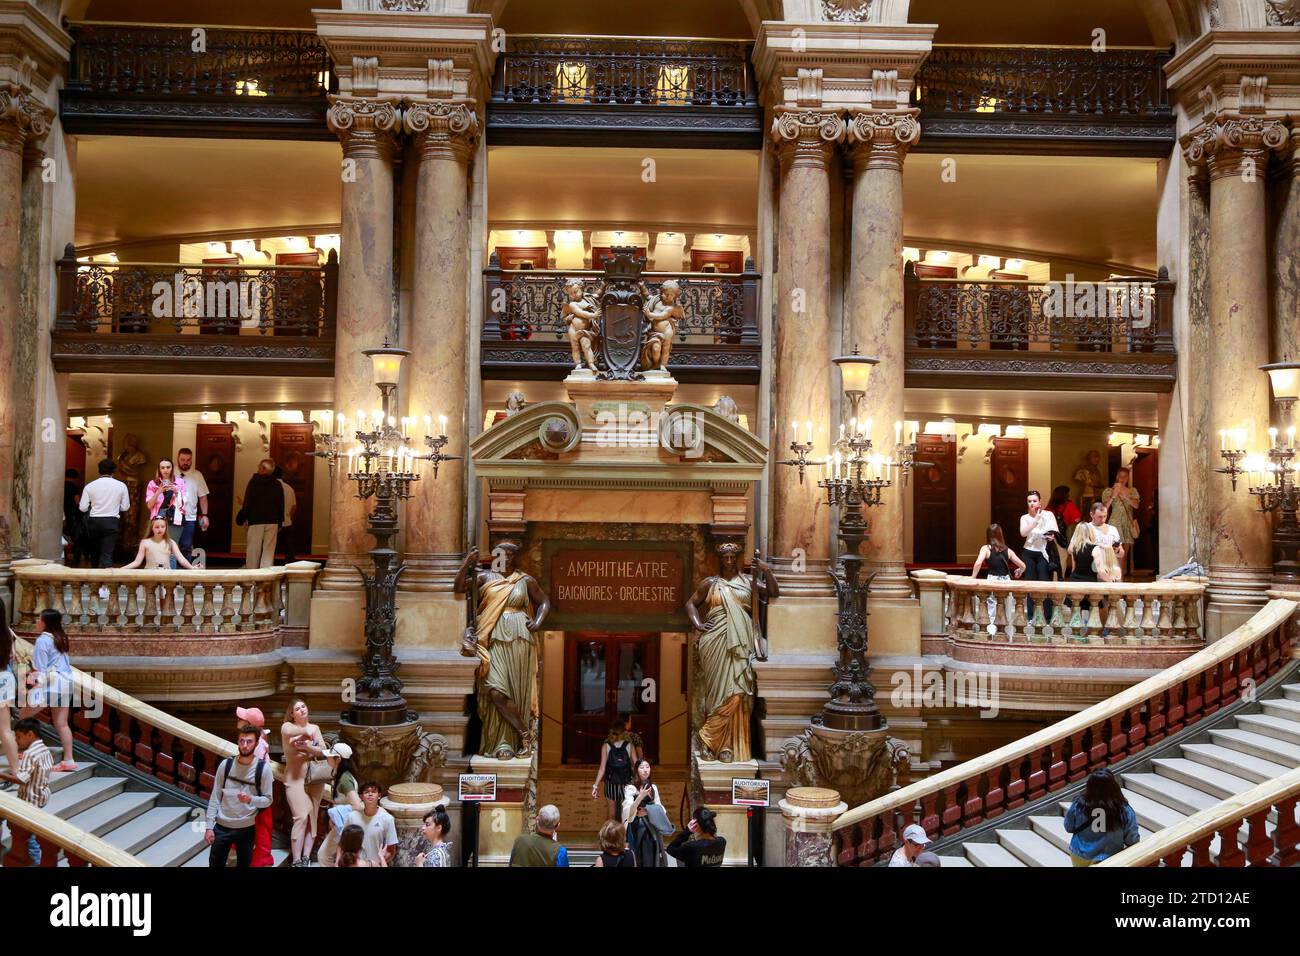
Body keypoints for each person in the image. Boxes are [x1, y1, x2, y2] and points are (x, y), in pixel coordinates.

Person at [683, 543, 779, 762]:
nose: (728, 561)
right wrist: (698, 625)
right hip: (714, 642)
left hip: (741, 642)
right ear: (720, 559)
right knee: (717, 693)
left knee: (737, 691)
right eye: (724, 557)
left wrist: (766, 570)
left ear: (736, 559)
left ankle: (716, 741)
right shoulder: (710, 583)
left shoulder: (748, 581)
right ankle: (716, 745)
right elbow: (690, 605)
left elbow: (773, 592)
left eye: (732, 557)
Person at [454, 542, 551, 759]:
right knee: (496, 690)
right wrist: (466, 564)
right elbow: (459, 587)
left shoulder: (524, 580)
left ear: (514, 557)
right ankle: (517, 736)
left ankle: (510, 745)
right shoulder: (485, 578)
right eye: (500, 554)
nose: (504, 558)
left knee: (516, 690)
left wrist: (537, 621)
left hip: (520, 639)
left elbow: (544, 601)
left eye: (508, 555)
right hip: (494, 637)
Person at [204, 725, 273, 868]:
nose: (245, 745)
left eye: (249, 742)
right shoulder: (226, 765)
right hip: (222, 826)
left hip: (246, 828)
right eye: (242, 741)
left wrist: (251, 799)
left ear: (256, 743)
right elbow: (215, 796)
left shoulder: (263, 769)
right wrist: (209, 827)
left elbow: (268, 799)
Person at [19, 609, 77, 773]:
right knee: (62, 723)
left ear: (45, 622)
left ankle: (25, 751)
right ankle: (69, 760)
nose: (37, 621)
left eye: (39, 618)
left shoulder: (42, 641)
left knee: (23, 715)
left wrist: (30, 685)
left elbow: (40, 670)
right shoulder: (61, 637)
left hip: (52, 685)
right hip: (66, 683)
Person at [0, 718, 53, 866]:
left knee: (30, 838)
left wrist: (2, 775)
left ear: (30, 734)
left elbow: (21, 780)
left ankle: (35, 863)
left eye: (18, 736)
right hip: (41, 796)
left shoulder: (30, 753)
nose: (17, 740)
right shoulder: (44, 749)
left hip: (30, 798)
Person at [280, 699, 326, 866]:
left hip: (314, 779)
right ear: (292, 714)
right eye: (297, 709)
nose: (301, 710)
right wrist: (309, 739)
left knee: (312, 817)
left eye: (303, 706)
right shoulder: (287, 726)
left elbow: (322, 750)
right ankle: (296, 859)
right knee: (301, 817)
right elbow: (290, 733)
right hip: (294, 779)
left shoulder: (315, 728)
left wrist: (308, 747)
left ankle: (306, 857)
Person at [1063, 769, 1140, 865]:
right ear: (1113, 786)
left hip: (1079, 854)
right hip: (1108, 858)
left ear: (1089, 786)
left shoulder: (1078, 804)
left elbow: (1069, 827)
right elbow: (1132, 840)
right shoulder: (1123, 810)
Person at [234, 705, 277, 867]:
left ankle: (261, 858)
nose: (238, 720)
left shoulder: (257, 745)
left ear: (249, 724)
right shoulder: (260, 738)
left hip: (257, 789)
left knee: (261, 824)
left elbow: (254, 768)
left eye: (241, 718)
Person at [970, 524, 1025, 634]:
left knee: (992, 611)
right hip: (1006, 582)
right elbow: (1023, 565)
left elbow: (978, 563)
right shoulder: (1007, 550)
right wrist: (1020, 571)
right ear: (1000, 535)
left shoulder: (986, 549)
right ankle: (1007, 634)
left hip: (992, 581)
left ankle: (993, 634)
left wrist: (973, 577)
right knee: (1007, 609)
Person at [315, 741, 361, 869]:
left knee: (324, 856)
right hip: (342, 826)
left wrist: (337, 814)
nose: (327, 758)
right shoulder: (341, 775)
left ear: (338, 759)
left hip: (345, 827)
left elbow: (357, 805)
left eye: (330, 756)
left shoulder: (345, 779)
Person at [79, 459, 130, 568]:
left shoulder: (90, 486)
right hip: (111, 521)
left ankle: (94, 578)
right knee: (107, 554)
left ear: (99, 470)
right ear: (114, 471)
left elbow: (83, 508)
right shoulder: (121, 486)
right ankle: (106, 582)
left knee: (94, 553)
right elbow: (125, 507)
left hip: (94, 521)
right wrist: (115, 507)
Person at [1018, 490, 1060, 622]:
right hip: (1029, 553)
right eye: (1029, 501)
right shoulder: (1025, 517)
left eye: (1034, 501)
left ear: (1040, 502)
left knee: (1044, 583)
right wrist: (1035, 519)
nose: (1032, 503)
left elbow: (1055, 532)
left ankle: (1047, 616)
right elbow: (1023, 533)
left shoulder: (1048, 515)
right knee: (1030, 584)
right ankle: (1031, 615)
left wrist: (1050, 536)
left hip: (1044, 553)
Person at [237, 459, 284, 569]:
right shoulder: (277, 484)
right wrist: (280, 522)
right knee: (268, 551)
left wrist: (243, 517)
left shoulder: (254, 482)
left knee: (253, 550)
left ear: (263, 469)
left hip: (256, 520)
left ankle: (251, 576)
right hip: (273, 521)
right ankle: (265, 578)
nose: (257, 468)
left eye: (259, 467)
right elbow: (280, 504)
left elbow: (248, 502)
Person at [622, 757, 666, 868]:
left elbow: (661, 808)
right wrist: (640, 796)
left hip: (652, 826)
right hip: (637, 827)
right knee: (638, 857)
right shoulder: (630, 788)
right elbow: (628, 812)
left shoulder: (653, 788)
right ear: (636, 770)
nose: (645, 770)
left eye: (647, 767)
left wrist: (647, 811)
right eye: (642, 767)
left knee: (652, 856)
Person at [591, 717, 636, 821]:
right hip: (626, 784)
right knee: (625, 814)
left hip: (611, 784)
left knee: (611, 813)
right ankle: (622, 836)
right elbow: (636, 765)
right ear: (625, 731)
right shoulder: (629, 746)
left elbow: (602, 768)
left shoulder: (606, 746)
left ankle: (607, 835)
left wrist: (595, 785)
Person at [345, 780, 399, 867]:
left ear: (379, 796)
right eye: (366, 792)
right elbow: (342, 843)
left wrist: (379, 864)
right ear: (361, 796)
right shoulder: (351, 817)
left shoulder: (388, 819)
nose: (370, 794)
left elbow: (391, 850)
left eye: (374, 792)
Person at [144, 458, 188, 563]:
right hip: (158, 517)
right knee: (157, 547)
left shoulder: (180, 482)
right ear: (159, 469)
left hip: (174, 517)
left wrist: (177, 492)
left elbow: (185, 504)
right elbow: (149, 505)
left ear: (172, 468)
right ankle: (158, 576)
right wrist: (159, 491)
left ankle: (171, 576)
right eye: (162, 467)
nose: (165, 470)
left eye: (168, 467)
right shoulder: (153, 484)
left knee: (172, 548)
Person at [175, 448, 210, 567]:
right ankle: (171, 576)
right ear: (177, 459)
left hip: (190, 516)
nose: (185, 462)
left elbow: (203, 497)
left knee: (186, 545)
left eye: (188, 460)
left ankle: (185, 576)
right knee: (171, 545)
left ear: (191, 460)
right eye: (182, 459)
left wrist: (205, 515)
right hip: (172, 516)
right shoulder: (170, 472)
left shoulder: (197, 475)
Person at [1103, 466, 1141, 576]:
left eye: (1125, 476)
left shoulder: (1132, 491)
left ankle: (1121, 578)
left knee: (1124, 554)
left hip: (1127, 524)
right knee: (1113, 553)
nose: (1122, 479)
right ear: (1116, 477)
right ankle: (1112, 577)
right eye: (1120, 476)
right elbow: (1105, 507)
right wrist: (1114, 495)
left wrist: (1126, 495)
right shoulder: (1108, 491)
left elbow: (1136, 505)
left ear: (1128, 478)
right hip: (1114, 524)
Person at [121, 517, 195, 570]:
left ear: (166, 528)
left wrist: (192, 567)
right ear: (152, 528)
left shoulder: (171, 542)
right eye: (157, 527)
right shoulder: (145, 542)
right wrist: (121, 569)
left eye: (162, 527)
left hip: (166, 574)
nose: (160, 529)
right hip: (150, 573)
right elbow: (137, 562)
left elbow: (181, 559)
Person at [0, 627, 20, 779]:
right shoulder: (8, 632)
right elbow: (13, 655)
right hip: (6, 678)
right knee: (6, 729)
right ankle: (17, 770)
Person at [273, 465, 297, 564]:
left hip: (272, 522)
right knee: (288, 548)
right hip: (287, 522)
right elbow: (294, 506)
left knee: (268, 547)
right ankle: (291, 567)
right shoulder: (289, 488)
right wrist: (287, 517)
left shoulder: (271, 487)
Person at [63, 468, 85, 567]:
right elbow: (77, 501)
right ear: (75, 478)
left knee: (63, 535)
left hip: (62, 513)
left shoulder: (61, 485)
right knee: (74, 535)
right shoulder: (73, 487)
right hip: (71, 514)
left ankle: (65, 555)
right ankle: (75, 557)